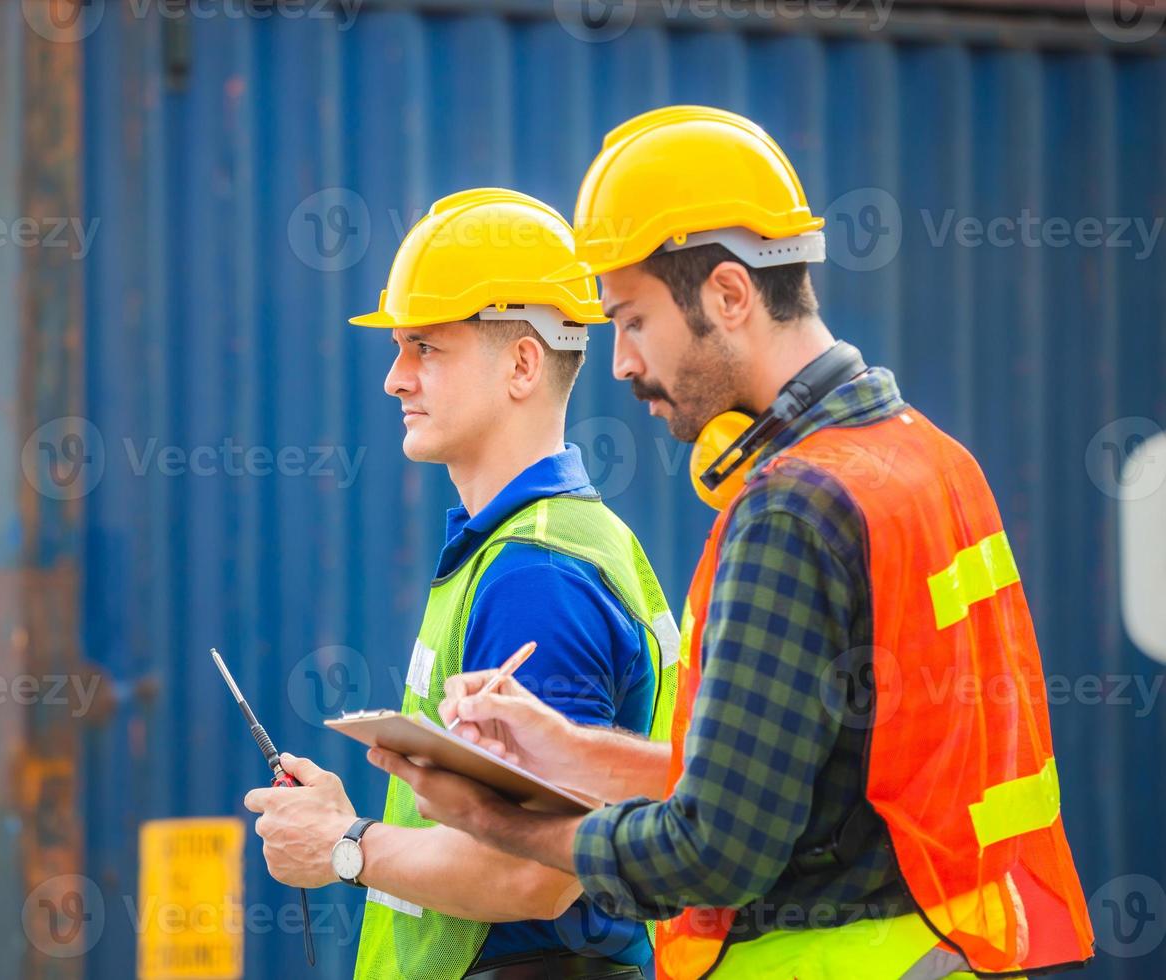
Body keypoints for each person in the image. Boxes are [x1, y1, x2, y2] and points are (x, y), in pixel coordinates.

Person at [368, 108, 1096, 979]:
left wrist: (499, 824)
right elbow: (772, 779)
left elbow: (714, 850)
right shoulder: (926, 458)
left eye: (632, 321)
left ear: (726, 295)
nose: (620, 362)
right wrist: (565, 750)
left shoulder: (793, 509)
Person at [244, 188, 679, 980]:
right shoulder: (534, 546)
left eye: (425, 348)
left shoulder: (537, 576)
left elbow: (535, 876)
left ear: (521, 364)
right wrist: (350, 820)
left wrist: (344, 847)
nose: (395, 380)